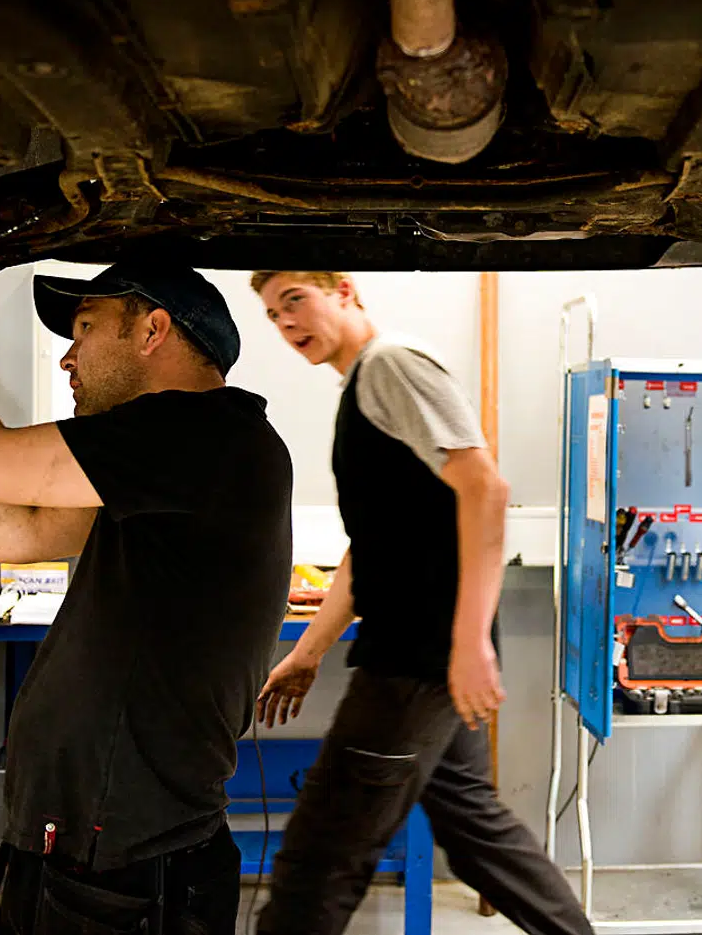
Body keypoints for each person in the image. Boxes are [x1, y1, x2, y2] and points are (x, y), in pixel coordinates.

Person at [0, 227, 293, 935]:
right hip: (80, 851)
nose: (68, 355)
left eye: (84, 328)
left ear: (154, 329)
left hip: (124, 869)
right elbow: (15, 531)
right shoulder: (175, 458)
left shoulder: (200, 434)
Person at [250, 270, 593, 935]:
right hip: (425, 659)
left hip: (413, 664)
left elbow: (486, 489)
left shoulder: (390, 366)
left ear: (344, 290)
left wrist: (468, 644)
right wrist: (307, 653)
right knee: (474, 831)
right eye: (271, 313)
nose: (286, 321)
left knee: (318, 862)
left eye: (295, 299)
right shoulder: (364, 389)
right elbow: (369, 548)